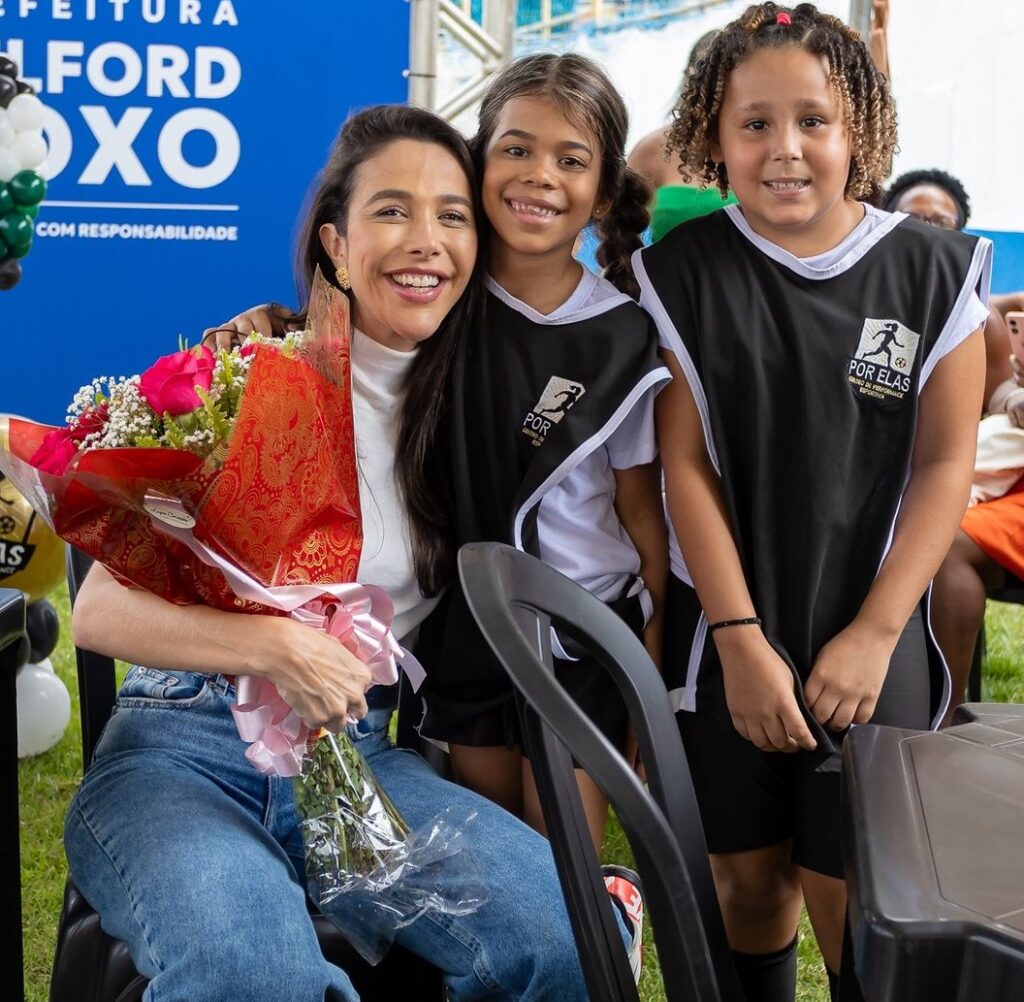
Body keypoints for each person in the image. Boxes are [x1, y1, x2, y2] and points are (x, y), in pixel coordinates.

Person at [65, 105, 619, 1002]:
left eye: (452, 215)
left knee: (571, 937)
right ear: (335, 242)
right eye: (392, 210)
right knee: (255, 976)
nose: (425, 240)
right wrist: (273, 645)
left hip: (356, 759)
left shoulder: (469, 417)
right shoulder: (244, 378)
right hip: (182, 751)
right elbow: (99, 611)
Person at [635, 5, 990, 1001]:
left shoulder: (932, 270)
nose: (784, 149)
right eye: (753, 123)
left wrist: (877, 632)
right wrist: (740, 638)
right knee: (747, 882)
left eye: (812, 121)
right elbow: (685, 468)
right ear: (714, 136)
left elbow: (940, 465)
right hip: (730, 640)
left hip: (872, 643)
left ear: (858, 132)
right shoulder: (678, 274)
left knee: (858, 899)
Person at [415, 53, 669, 866]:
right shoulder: (434, 300)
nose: (539, 177)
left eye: (571, 159)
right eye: (516, 149)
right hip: (464, 628)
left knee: (562, 869)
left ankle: (600, 933)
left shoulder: (625, 332)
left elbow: (639, 511)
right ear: (478, 158)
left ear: (602, 190)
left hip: (583, 634)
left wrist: (650, 661)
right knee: (489, 867)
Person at [626, 30, 739, 242]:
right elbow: (613, 228)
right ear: (689, 79)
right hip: (663, 274)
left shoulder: (759, 148)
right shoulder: (654, 149)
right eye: (706, 75)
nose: (713, 88)